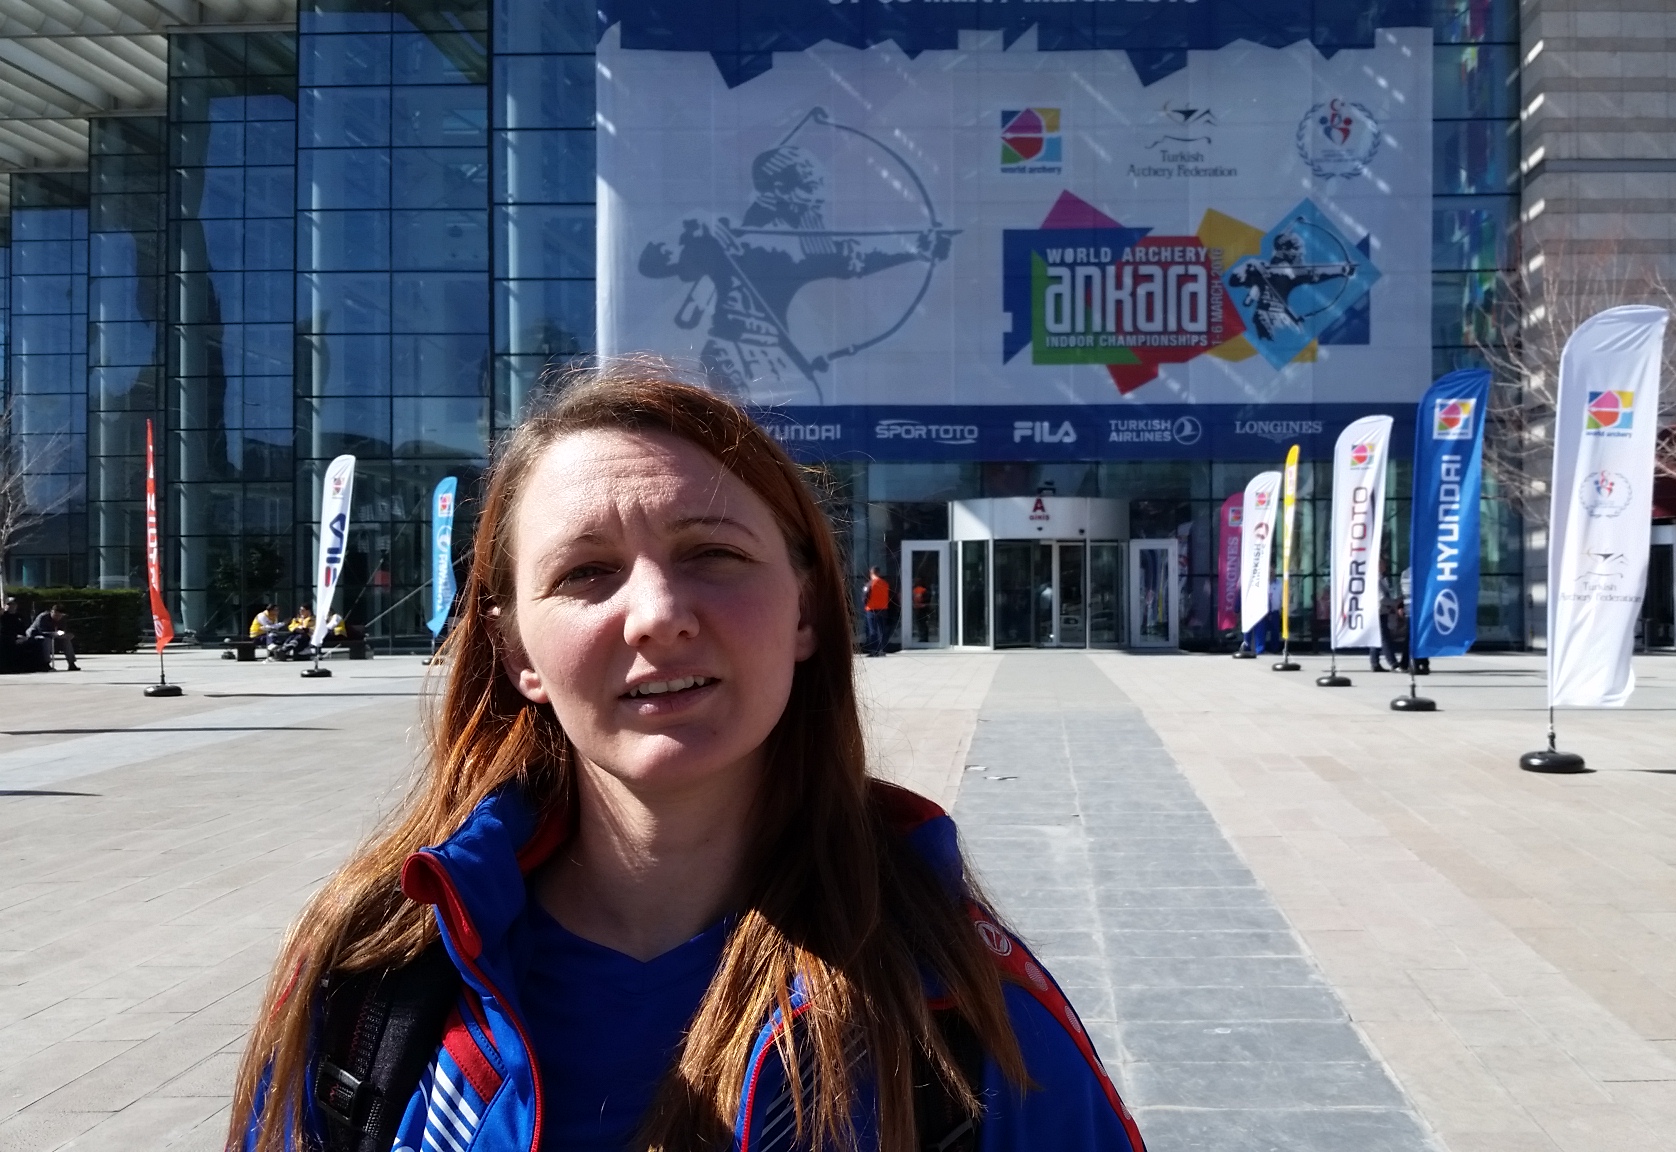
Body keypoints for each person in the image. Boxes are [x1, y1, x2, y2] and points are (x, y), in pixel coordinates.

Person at [228, 365, 1143, 1152]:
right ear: (515, 653)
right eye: (586, 572)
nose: (659, 614)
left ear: (806, 610)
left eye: (712, 552)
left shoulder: (963, 1009)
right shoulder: (374, 977)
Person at [28, 604, 79, 671]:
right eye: (56, 615)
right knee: (47, 640)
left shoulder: (63, 619)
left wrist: (65, 635)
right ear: (51, 612)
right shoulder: (42, 617)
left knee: (66, 640)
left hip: (53, 637)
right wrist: (54, 634)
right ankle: (46, 664)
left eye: (60, 616)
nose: (57, 617)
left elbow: (62, 630)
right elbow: (41, 631)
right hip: (36, 636)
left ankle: (71, 663)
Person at [863, 565, 891, 657]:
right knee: (882, 630)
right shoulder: (885, 584)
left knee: (873, 630)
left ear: (871, 573)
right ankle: (882, 649)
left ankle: (874, 650)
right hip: (883, 609)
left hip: (872, 609)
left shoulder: (870, 584)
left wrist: (865, 604)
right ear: (879, 573)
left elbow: (865, 597)